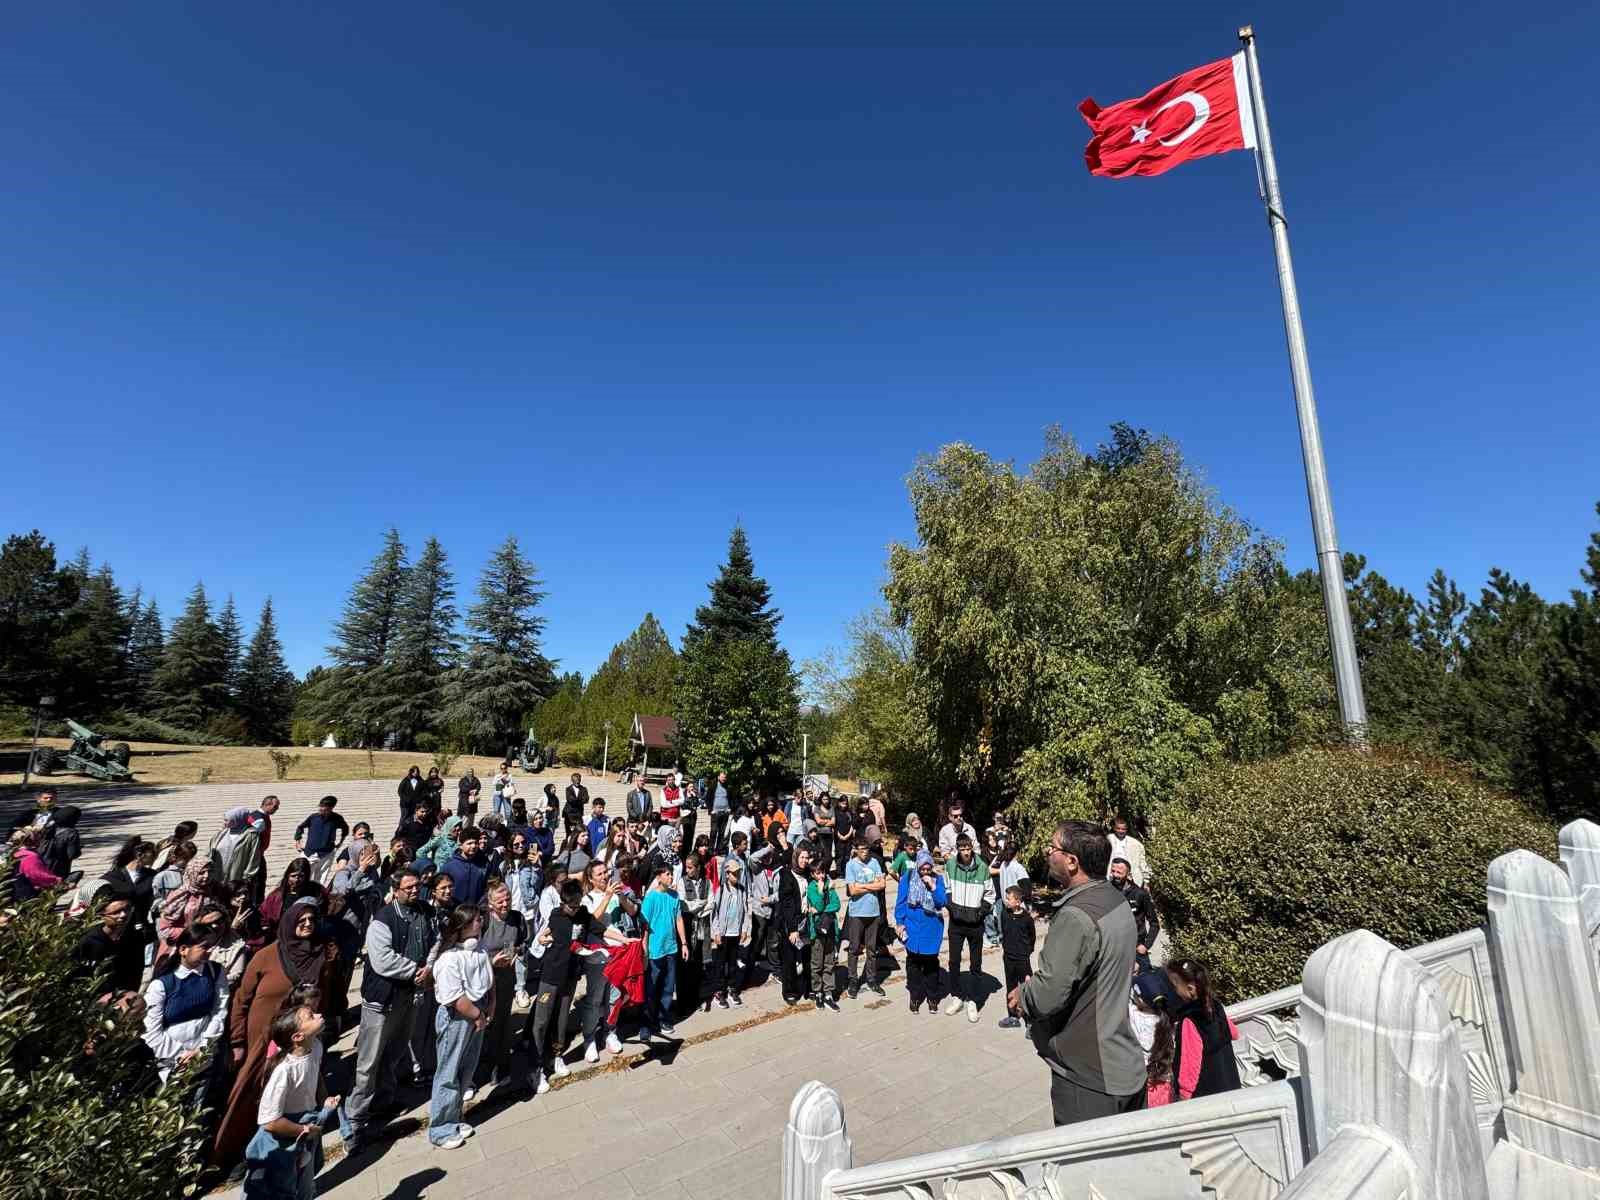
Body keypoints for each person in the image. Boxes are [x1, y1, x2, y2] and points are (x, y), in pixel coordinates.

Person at [1013, 820, 1145, 1127]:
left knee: (1083, 1159)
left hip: (1089, 1079)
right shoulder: (1114, 898)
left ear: (1072, 861)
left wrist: (1022, 995)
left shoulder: (1076, 915)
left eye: (1052, 848)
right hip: (1124, 1064)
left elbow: (1047, 995)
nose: (1047, 853)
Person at [214, 899, 329, 1173]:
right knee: (248, 1095)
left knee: (288, 1098)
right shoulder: (267, 955)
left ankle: (280, 1151)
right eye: (301, 921)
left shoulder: (319, 955)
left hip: (297, 1041)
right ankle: (229, 1155)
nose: (307, 925)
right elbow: (241, 999)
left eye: (312, 920)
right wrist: (238, 1040)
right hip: (260, 1040)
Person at [338, 867, 436, 1155]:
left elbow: (434, 940)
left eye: (417, 886)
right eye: (409, 888)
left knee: (395, 1052)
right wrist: (415, 970)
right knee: (368, 1062)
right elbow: (383, 960)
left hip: (409, 995)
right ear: (395, 890)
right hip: (382, 999)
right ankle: (355, 1120)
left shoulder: (424, 912)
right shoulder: (382, 920)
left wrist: (429, 967)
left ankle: (384, 1100)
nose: (415, 891)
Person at [243, 1003, 340, 1200]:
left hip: (306, 1128)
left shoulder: (316, 1046)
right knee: (281, 1188)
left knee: (305, 1182)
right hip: (284, 1137)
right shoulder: (284, 1071)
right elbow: (270, 1121)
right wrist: (303, 1130)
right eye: (311, 1016)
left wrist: (324, 1100)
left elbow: (315, 1075)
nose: (319, 1015)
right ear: (297, 1037)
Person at [428, 905, 493, 1150]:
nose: (480, 922)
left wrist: (491, 1006)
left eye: (480, 918)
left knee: (467, 1068)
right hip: (459, 1018)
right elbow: (455, 998)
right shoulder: (449, 959)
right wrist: (478, 1015)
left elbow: (490, 981)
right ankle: (440, 1129)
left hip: (478, 1013)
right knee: (449, 1072)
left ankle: (455, 1117)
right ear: (462, 927)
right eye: (476, 920)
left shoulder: (480, 949)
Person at [521, 878, 594, 1092]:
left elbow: (597, 927)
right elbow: (544, 933)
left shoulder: (582, 914)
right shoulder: (556, 915)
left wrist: (625, 942)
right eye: (571, 905)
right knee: (541, 1021)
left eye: (578, 904)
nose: (575, 909)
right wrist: (542, 939)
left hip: (570, 976)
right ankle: (534, 1068)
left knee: (562, 1019)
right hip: (550, 977)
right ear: (563, 902)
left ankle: (556, 1055)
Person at [142, 927, 230, 1084]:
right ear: (183, 949)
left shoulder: (215, 972)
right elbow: (151, 1030)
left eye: (212, 946)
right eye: (204, 946)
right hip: (170, 1062)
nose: (210, 951)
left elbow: (219, 1011)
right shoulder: (162, 984)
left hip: (203, 1059)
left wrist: (202, 1049)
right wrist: (181, 1055)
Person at [1165, 958, 1242, 1100]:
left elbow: (1190, 1063)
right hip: (1230, 1083)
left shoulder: (1190, 1020)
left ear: (1190, 988)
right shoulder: (1215, 1005)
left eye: (1174, 986)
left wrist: (1184, 1094)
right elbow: (1234, 1033)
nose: (1173, 991)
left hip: (1208, 1092)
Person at [476, 881, 526, 1090]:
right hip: (481, 981)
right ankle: (475, 1072)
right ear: (490, 903)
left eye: (508, 899)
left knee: (501, 1023)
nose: (505, 904)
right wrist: (490, 961)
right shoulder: (482, 921)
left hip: (505, 979)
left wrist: (517, 952)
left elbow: (522, 942)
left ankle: (500, 1067)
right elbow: (469, 954)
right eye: (500, 902)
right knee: (480, 1024)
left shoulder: (517, 918)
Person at [944, 834, 995, 1022]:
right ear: (957, 849)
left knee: (975, 963)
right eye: (962, 849)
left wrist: (980, 913)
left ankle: (973, 1000)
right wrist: (951, 907)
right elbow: (946, 888)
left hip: (975, 924)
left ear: (972, 848)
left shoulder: (982, 867)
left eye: (968, 849)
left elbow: (990, 894)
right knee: (954, 961)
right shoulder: (950, 865)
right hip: (956, 922)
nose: (965, 852)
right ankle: (957, 996)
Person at [894, 851, 948, 1014]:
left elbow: (942, 902)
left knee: (930, 963)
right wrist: (900, 922)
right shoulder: (908, 877)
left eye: (928, 869)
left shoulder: (938, 879)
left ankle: (932, 996)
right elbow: (901, 901)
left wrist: (932, 886)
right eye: (922, 869)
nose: (925, 872)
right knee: (913, 963)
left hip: (931, 926)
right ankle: (915, 996)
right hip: (912, 925)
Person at [639, 862, 687, 1038]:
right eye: (667, 874)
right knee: (651, 988)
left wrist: (684, 943)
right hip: (654, 950)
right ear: (658, 877)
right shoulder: (651, 898)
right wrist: (644, 948)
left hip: (671, 948)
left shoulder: (674, 896)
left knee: (668, 987)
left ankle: (664, 1019)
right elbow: (645, 925)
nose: (670, 876)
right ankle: (646, 1023)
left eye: (671, 873)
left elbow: (679, 919)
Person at [75, 892, 146, 996]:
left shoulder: (134, 936)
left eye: (127, 909)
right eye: (116, 912)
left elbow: (137, 968)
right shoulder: (90, 942)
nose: (123, 915)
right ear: (102, 915)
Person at [843, 838, 888, 999]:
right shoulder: (851, 865)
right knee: (854, 948)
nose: (864, 852)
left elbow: (882, 884)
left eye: (866, 849)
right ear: (855, 849)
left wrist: (862, 886)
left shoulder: (874, 862)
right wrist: (872, 885)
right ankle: (853, 979)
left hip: (873, 912)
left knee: (871, 949)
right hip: (857, 912)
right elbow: (852, 891)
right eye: (861, 849)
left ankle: (871, 979)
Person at [155, 857, 217, 974]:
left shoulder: (215, 892)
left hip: (206, 949)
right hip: (178, 949)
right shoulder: (180, 895)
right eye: (202, 873)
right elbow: (164, 929)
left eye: (210, 871)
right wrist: (192, 932)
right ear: (192, 873)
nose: (207, 876)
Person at [708, 854, 752, 1008]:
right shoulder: (721, 890)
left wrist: (745, 929)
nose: (736, 876)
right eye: (734, 873)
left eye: (738, 873)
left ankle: (732, 988)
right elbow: (714, 913)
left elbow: (745, 910)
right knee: (720, 963)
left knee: (733, 963)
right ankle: (719, 991)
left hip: (735, 933)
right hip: (723, 934)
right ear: (727, 874)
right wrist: (716, 932)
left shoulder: (741, 890)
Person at [774, 844, 813, 1006]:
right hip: (791, 923)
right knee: (789, 959)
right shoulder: (787, 875)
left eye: (806, 857)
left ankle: (809, 987)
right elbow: (787, 904)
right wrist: (792, 929)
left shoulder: (809, 874)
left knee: (807, 956)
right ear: (796, 858)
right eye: (801, 857)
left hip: (807, 921)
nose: (804, 861)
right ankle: (790, 991)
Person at [676, 852, 713, 1017]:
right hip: (687, 929)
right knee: (685, 966)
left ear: (698, 868)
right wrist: (700, 904)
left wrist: (699, 907)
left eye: (690, 868)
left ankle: (694, 999)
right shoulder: (682, 882)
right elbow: (685, 905)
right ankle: (682, 1004)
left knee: (698, 965)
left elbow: (711, 903)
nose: (687, 870)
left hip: (701, 929)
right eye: (686, 867)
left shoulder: (707, 882)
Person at [1110, 858, 1160, 971]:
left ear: (1128, 874)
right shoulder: (1106, 891)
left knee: (1144, 980)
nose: (1115, 875)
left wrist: (1146, 945)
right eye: (1113, 871)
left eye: (1119, 872)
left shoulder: (1140, 894)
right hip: (1112, 950)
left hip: (1137, 950)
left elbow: (1154, 923)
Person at [805, 857, 842, 1010]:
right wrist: (820, 892)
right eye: (818, 873)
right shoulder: (812, 888)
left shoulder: (830, 885)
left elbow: (837, 904)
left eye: (823, 872)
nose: (821, 876)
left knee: (829, 963)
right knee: (816, 964)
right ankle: (817, 991)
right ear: (812, 874)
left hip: (830, 929)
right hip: (817, 931)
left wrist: (821, 910)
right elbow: (818, 904)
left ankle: (828, 993)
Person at [997, 885, 1036, 1029]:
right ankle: (1013, 1016)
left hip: (1022, 959)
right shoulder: (1004, 914)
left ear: (1018, 902)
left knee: (1026, 988)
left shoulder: (1026, 919)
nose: (1006, 901)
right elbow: (1004, 931)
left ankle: (1031, 1022)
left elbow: (1032, 937)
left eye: (1009, 899)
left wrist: (1026, 952)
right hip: (1008, 958)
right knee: (1010, 987)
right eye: (1006, 898)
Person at [295, 796, 349, 885]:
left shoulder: (337, 818)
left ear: (331, 808)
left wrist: (340, 842)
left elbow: (345, 829)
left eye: (324, 807)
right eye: (320, 806)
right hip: (309, 853)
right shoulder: (313, 817)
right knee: (303, 875)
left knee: (321, 879)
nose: (320, 808)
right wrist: (298, 842)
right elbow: (300, 827)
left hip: (327, 854)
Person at [261, 858, 323, 935]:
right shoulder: (276, 896)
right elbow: (263, 914)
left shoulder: (316, 891)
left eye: (301, 876)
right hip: (281, 933)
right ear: (287, 876)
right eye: (293, 876)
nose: (296, 880)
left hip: (306, 932)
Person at [210, 807, 265, 889]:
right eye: (224, 820)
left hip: (236, 880)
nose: (224, 823)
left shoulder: (251, 835)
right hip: (216, 878)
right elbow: (210, 851)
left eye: (227, 820)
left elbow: (254, 857)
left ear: (238, 820)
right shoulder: (221, 833)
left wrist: (247, 877)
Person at [440, 828, 488, 906]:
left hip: (476, 910)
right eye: (469, 843)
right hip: (454, 909)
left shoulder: (484, 864)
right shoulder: (449, 866)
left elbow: (487, 887)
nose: (473, 846)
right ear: (461, 846)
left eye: (476, 843)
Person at [1106, 815, 1149, 888]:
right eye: (1118, 828)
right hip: (1111, 878)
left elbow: (1142, 864)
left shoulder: (1136, 844)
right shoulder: (1108, 840)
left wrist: (1146, 882)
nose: (1120, 831)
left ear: (1126, 829)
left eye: (1123, 829)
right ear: (1114, 828)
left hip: (1131, 880)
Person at [41, 803, 82, 878]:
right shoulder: (71, 833)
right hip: (58, 869)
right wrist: (78, 849)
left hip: (40, 865)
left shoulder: (47, 828)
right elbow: (72, 854)